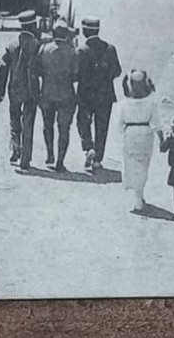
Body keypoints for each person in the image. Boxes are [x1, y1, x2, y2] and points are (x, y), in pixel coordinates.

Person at [74, 17, 122, 173]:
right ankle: (97, 159)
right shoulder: (110, 49)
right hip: (105, 95)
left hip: (86, 95)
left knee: (83, 122)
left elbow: (75, 74)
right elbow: (117, 71)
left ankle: (88, 148)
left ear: (85, 31)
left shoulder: (81, 51)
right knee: (102, 127)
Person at [0, 13, 43, 169]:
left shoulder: (11, 45)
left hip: (14, 90)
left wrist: (0, 91)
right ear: (32, 26)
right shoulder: (37, 46)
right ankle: (25, 158)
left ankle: (16, 149)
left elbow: (3, 67)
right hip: (31, 91)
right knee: (28, 123)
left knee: (14, 120)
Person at [36, 22, 80, 171]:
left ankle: (50, 155)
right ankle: (60, 162)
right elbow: (76, 75)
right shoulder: (72, 52)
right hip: (66, 96)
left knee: (48, 126)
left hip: (47, 94)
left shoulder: (44, 49)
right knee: (64, 129)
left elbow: (38, 71)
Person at [120, 69, 157, 211]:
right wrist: (162, 139)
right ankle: (139, 195)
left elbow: (119, 123)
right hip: (146, 135)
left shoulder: (125, 103)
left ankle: (137, 196)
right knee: (143, 165)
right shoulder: (151, 100)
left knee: (132, 165)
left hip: (130, 134)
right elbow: (157, 122)